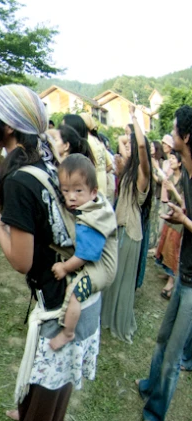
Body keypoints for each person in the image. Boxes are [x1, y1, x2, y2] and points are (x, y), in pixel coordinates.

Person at [0, 85, 103, 421]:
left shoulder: (20, 179)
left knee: (49, 374)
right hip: (79, 283)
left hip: (60, 294)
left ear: (5, 125)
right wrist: (0, 225)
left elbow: (22, 261)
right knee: (54, 374)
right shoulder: (44, 161)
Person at [137, 105, 192, 421]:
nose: (170, 135)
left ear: (186, 136)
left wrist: (184, 220)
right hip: (183, 272)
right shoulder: (185, 171)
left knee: (173, 355)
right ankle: (150, 384)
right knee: (162, 338)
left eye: (174, 130)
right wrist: (181, 213)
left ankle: (155, 414)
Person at [49, 155, 117, 350]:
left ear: (93, 191)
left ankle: (68, 332)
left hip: (101, 269)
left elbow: (85, 255)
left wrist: (64, 267)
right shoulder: (88, 204)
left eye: (78, 191)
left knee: (75, 294)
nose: (71, 197)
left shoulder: (94, 218)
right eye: (65, 190)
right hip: (93, 262)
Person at [101, 104, 152, 343]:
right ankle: (109, 315)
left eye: (132, 145)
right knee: (114, 274)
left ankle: (119, 320)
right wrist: (128, 131)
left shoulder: (143, 174)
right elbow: (125, 141)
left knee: (121, 279)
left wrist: (135, 118)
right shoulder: (129, 171)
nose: (128, 147)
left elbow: (140, 145)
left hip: (131, 232)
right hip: (121, 227)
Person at [155, 152, 185, 299]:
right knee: (165, 245)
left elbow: (183, 204)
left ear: (180, 163)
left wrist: (172, 188)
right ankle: (168, 274)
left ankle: (171, 281)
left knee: (173, 248)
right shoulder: (172, 177)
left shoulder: (185, 180)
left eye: (173, 158)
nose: (170, 160)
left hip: (179, 219)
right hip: (169, 216)